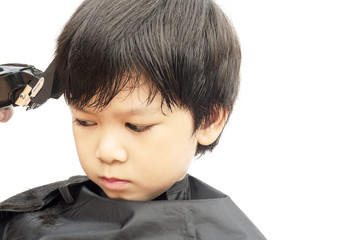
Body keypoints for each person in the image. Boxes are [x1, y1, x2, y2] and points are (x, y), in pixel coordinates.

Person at [0, 0, 266, 239]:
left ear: (209, 121)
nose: (106, 152)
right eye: (85, 121)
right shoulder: (24, 224)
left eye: (136, 126)